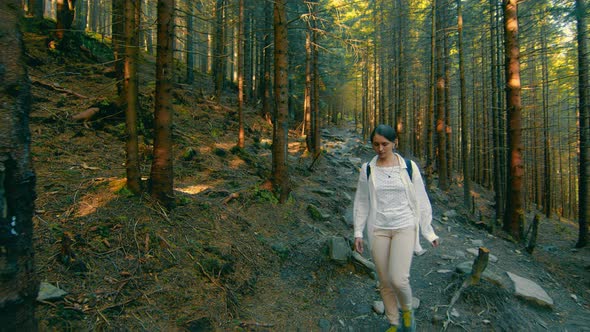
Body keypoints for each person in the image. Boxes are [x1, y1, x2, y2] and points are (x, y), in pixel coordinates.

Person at [353, 124, 439, 332]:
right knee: (384, 280)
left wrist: (428, 231)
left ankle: (407, 312)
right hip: (378, 229)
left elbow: (421, 198)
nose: (380, 149)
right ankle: (393, 322)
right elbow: (362, 201)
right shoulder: (368, 168)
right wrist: (358, 232)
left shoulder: (408, 167)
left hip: (404, 226)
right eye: (376, 144)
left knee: (398, 279)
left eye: (385, 144)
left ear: (394, 143)